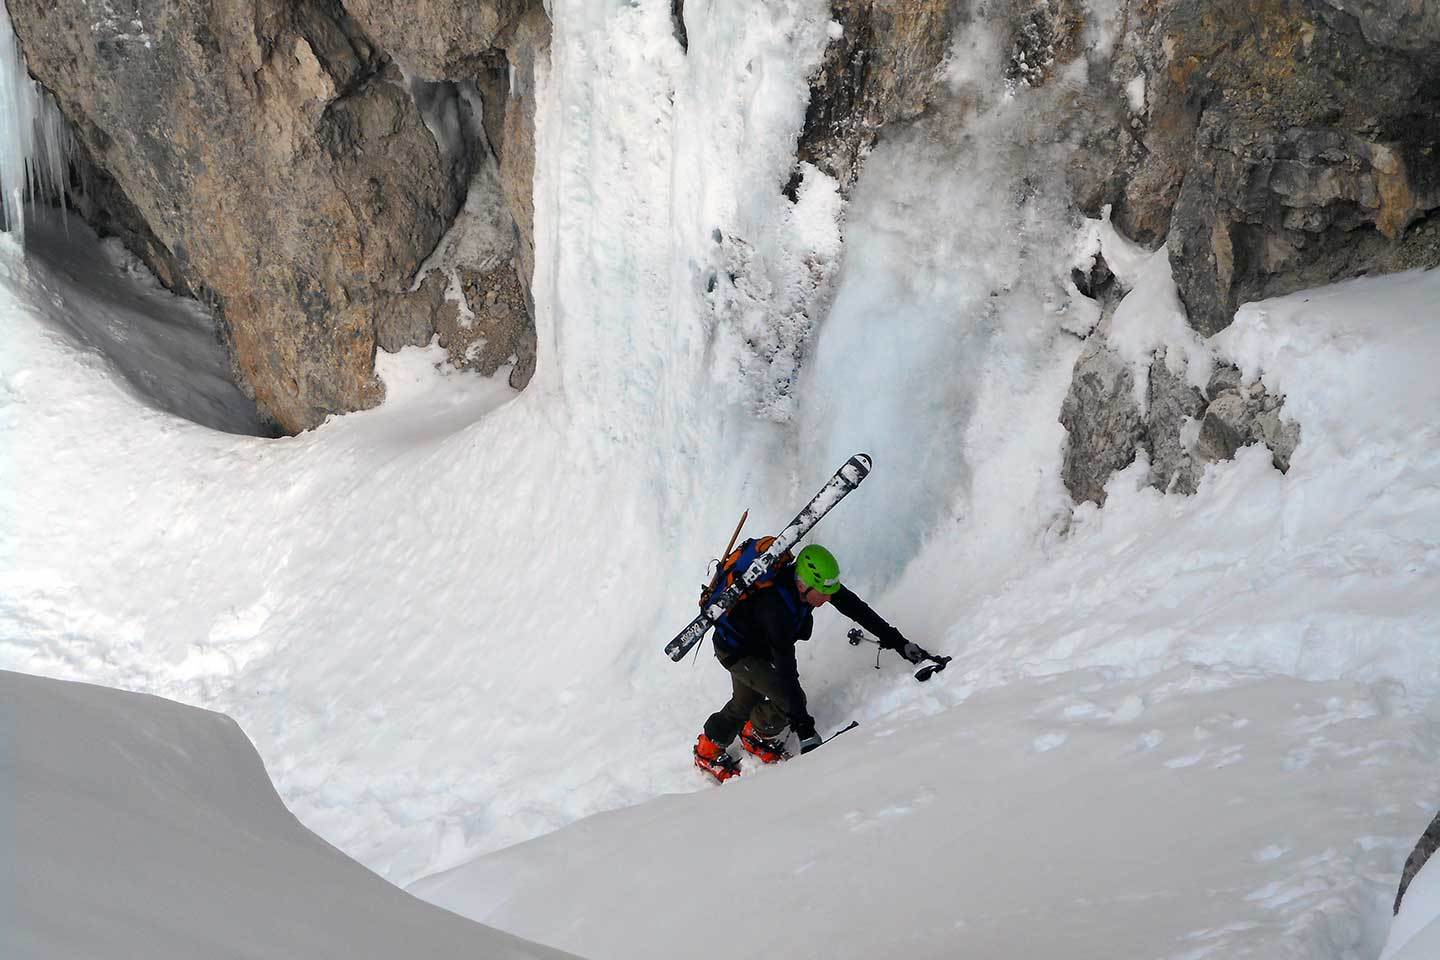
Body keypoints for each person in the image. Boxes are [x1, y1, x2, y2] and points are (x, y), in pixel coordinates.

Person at [692, 542, 928, 782]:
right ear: (803, 584)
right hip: (736, 651)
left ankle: (754, 731)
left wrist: (899, 642)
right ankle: (710, 751)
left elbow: (859, 611)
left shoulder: (816, 585)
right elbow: (786, 672)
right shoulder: (775, 609)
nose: (828, 597)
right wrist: (805, 730)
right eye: (823, 592)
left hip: (758, 643)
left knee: (747, 699)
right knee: (786, 701)